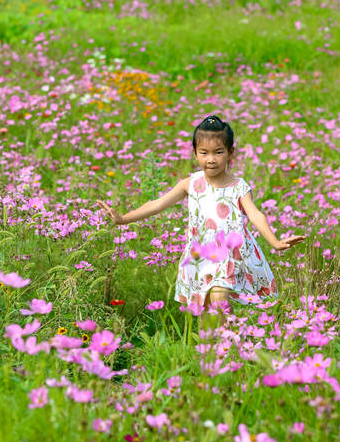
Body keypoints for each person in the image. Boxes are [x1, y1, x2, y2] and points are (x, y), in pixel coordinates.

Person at [96, 115, 305, 308]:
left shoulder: (239, 186)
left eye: (218, 152)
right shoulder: (191, 183)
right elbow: (157, 204)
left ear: (231, 153)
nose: (211, 159)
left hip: (228, 255)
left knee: (219, 295)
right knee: (204, 310)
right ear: (195, 152)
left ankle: (225, 341)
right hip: (200, 255)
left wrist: (276, 242)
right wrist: (123, 219)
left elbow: (255, 214)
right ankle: (208, 346)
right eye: (204, 153)